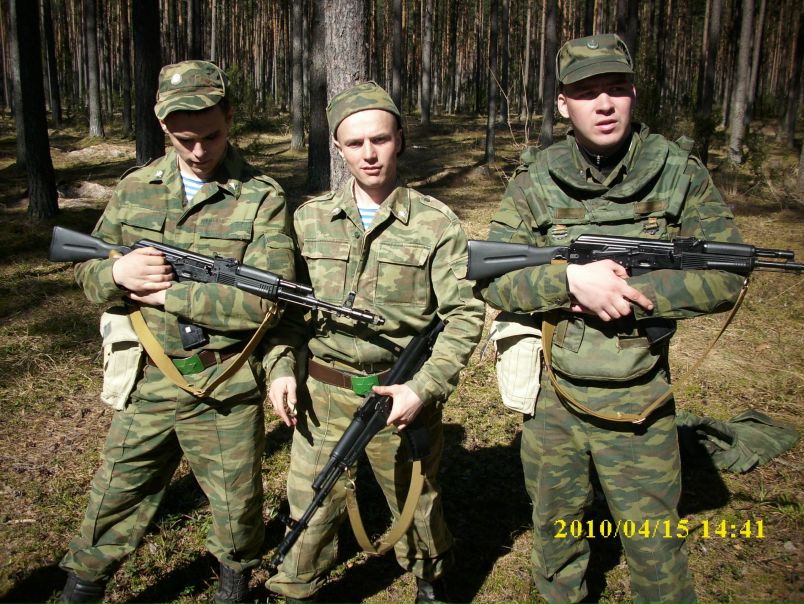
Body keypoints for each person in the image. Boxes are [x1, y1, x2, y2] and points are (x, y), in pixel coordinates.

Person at [481, 34, 746, 604]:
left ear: (633, 93)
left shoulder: (677, 174)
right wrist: (570, 282)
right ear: (562, 104)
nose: (603, 104)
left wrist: (631, 291)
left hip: (640, 398)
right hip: (553, 401)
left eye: (616, 88)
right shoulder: (534, 181)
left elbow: (727, 273)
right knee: (556, 538)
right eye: (586, 92)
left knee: (655, 548)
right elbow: (492, 276)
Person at [58, 60, 296, 604]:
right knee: (115, 494)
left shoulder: (261, 196)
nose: (199, 150)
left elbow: (265, 303)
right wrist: (116, 275)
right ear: (162, 125)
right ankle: (82, 587)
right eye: (184, 139)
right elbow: (86, 267)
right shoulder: (135, 189)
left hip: (223, 383)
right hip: (149, 378)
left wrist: (169, 295)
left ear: (229, 118)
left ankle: (232, 586)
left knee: (236, 507)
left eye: (211, 135)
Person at [266, 81, 484, 604]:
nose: (369, 153)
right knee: (311, 502)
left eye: (380, 139)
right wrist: (280, 367)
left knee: (415, 503)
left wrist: (422, 388)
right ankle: (295, 588)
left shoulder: (436, 224)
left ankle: (431, 581)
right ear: (338, 149)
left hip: (398, 393)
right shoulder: (308, 219)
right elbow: (289, 312)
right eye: (355, 142)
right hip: (322, 393)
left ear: (399, 140)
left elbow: (463, 315)